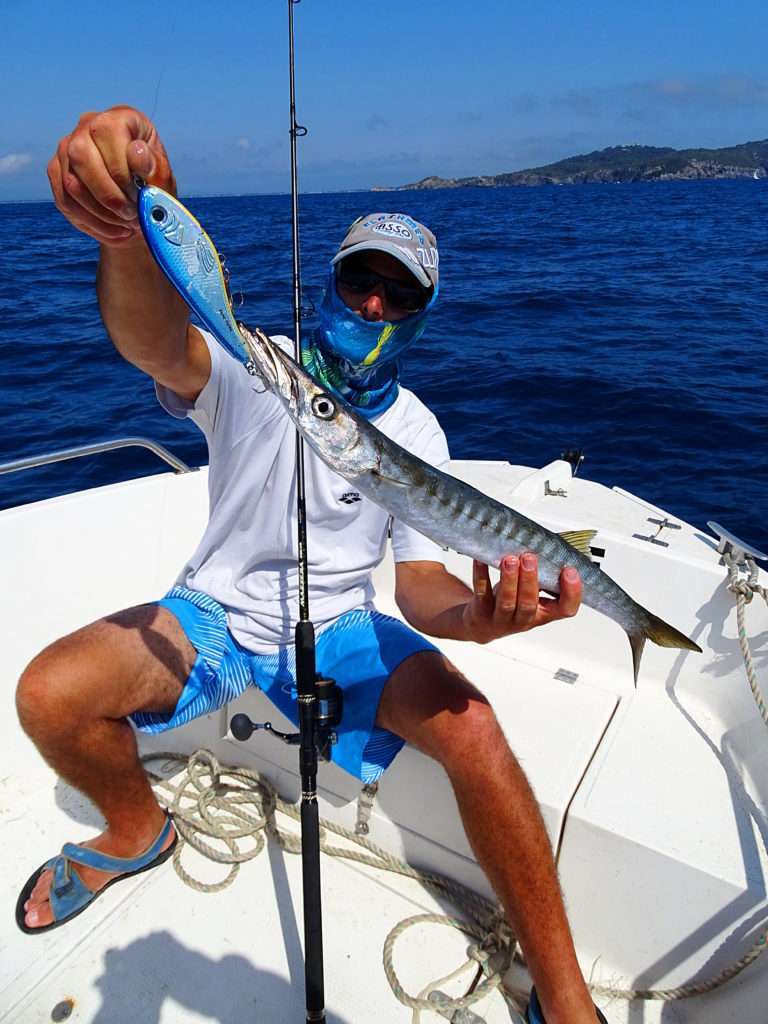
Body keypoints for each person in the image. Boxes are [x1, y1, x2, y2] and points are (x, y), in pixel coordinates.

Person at [16, 106, 606, 1024]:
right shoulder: (263, 367)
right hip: (208, 616)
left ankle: (567, 1001)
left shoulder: (416, 432)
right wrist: (134, 233)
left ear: (419, 315)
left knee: (479, 736)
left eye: (397, 294)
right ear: (328, 281)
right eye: (358, 279)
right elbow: (155, 345)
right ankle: (136, 830)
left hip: (341, 628)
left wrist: (480, 619)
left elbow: (418, 586)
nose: (372, 304)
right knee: (49, 694)